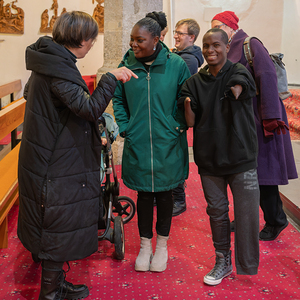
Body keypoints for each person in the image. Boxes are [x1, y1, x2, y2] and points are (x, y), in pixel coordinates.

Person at [17, 11, 136, 300]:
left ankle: (55, 285)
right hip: (55, 160)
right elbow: (90, 109)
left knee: (54, 219)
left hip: (46, 152)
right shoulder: (59, 69)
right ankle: (51, 293)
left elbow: (29, 94)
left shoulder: (47, 61)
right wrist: (111, 78)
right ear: (82, 40)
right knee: (59, 220)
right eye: (93, 40)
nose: (93, 44)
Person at [180, 28, 259, 285]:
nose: (210, 50)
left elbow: (242, 83)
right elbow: (189, 121)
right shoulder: (195, 82)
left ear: (227, 47)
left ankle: (246, 265)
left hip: (241, 158)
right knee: (217, 212)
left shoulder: (237, 71)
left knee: (247, 214)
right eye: (206, 46)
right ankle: (222, 260)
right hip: (210, 159)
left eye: (216, 45)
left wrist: (236, 89)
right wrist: (188, 104)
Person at [112, 11, 190, 273]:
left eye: (140, 40)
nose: (134, 45)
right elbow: (119, 100)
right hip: (139, 139)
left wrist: (175, 125)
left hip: (168, 139)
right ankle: (145, 246)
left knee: (165, 193)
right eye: (132, 40)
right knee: (144, 194)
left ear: (156, 39)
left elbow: (185, 97)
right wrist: (126, 127)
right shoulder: (126, 65)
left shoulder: (176, 64)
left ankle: (162, 247)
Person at [211, 11, 298, 241]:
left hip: (260, 119)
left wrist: (270, 118)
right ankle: (245, 218)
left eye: (219, 26)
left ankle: (276, 220)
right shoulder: (226, 48)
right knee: (242, 173)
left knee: (262, 174)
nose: (217, 31)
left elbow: (267, 76)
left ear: (231, 27)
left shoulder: (251, 44)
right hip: (241, 120)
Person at [171, 18, 204, 216]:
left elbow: (177, 87)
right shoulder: (180, 54)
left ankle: (179, 199)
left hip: (177, 114)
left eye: (180, 33)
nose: (175, 35)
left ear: (191, 37)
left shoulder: (188, 60)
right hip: (172, 112)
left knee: (174, 156)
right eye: (175, 31)